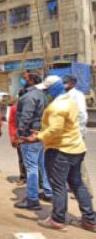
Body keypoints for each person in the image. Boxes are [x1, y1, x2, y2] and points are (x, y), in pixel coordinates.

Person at [21, 75, 96, 232]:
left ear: (53, 90)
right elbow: (62, 126)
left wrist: (38, 136)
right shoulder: (70, 102)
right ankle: (90, 220)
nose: (45, 93)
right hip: (76, 148)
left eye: (47, 90)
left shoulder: (56, 107)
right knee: (77, 183)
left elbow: (56, 129)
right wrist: (43, 131)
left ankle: (57, 219)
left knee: (58, 185)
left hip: (60, 150)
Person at [15, 70, 52, 210]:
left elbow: (25, 117)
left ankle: (32, 200)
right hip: (40, 134)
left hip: (30, 136)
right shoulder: (43, 96)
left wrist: (19, 135)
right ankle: (48, 192)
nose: (22, 81)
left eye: (24, 79)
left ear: (31, 81)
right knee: (41, 165)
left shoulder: (29, 96)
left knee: (31, 167)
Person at [63, 75, 93, 198]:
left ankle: (86, 190)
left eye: (66, 82)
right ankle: (75, 187)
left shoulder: (77, 95)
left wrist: (78, 132)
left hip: (76, 134)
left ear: (72, 84)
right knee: (70, 163)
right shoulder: (66, 95)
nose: (64, 84)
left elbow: (82, 115)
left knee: (78, 163)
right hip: (68, 135)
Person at [8, 89, 27, 186]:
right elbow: (11, 123)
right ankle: (23, 177)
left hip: (27, 137)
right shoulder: (15, 108)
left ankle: (25, 177)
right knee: (22, 158)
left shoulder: (15, 107)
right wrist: (13, 137)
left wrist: (13, 136)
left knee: (23, 158)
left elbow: (11, 124)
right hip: (21, 136)